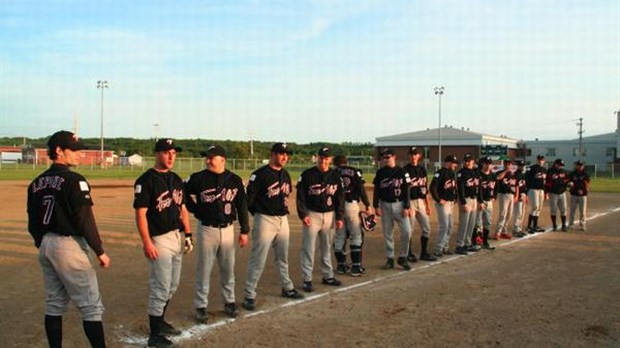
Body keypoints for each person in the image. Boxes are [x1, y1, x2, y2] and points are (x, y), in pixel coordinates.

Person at [27, 130, 110, 348]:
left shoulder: (36, 183)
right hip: (68, 247)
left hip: (46, 244)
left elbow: (33, 222)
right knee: (91, 305)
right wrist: (99, 250)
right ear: (58, 151)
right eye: (74, 150)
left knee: (54, 304)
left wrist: (43, 242)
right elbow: (84, 220)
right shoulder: (75, 180)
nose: (79, 154)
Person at [134, 138, 192, 348]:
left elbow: (182, 208)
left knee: (172, 286)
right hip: (158, 239)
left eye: (174, 153)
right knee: (160, 287)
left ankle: (160, 322)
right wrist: (146, 242)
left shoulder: (176, 179)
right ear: (157, 153)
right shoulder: (146, 180)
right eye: (167, 152)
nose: (171, 156)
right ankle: (154, 334)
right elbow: (141, 215)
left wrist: (188, 234)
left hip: (176, 236)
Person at [185, 145, 250, 322]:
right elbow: (183, 194)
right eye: (207, 157)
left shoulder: (235, 180)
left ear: (222, 159)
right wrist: (196, 209)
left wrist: (244, 230)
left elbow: (242, 207)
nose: (208, 160)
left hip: (228, 229)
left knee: (228, 269)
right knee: (203, 269)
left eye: (211, 157)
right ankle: (200, 306)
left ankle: (229, 302)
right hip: (206, 229)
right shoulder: (198, 178)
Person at [242, 143, 304, 311]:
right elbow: (249, 201)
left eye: (286, 154)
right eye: (281, 154)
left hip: (283, 219)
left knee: (282, 257)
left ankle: (287, 287)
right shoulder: (259, 175)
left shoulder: (285, 174)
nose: (284, 157)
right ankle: (249, 294)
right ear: (273, 154)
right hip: (265, 220)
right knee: (258, 259)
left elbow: (286, 195)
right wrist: (260, 214)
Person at [297, 147, 345, 292]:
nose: (323, 161)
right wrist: (303, 214)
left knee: (326, 247)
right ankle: (307, 279)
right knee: (308, 248)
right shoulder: (307, 175)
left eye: (326, 158)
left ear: (330, 160)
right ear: (317, 157)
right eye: (321, 157)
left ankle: (327, 276)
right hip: (312, 215)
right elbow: (300, 198)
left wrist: (340, 216)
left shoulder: (335, 176)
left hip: (329, 215)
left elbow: (340, 198)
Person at [372, 148, 413, 270]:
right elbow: (377, 190)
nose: (386, 159)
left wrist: (406, 206)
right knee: (388, 233)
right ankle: (390, 258)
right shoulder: (380, 172)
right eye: (384, 157)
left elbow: (407, 190)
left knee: (407, 232)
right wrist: (375, 205)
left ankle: (403, 257)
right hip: (385, 205)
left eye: (388, 157)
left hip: (400, 204)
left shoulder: (402, 171)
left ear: (394, 157)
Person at [333, 155, 372, 276]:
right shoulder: (354, 171)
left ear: (335, 164)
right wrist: (367, 204)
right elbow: (361, 188)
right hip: (351, 206)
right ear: (346, 162)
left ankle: (341, 266)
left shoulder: (332, 173)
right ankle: (356, 267)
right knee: (356, 235)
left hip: (336, 208)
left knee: (339, 236)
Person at [402, 147, 437, 262]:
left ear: (419, 156)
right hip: (410, 202)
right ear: (408, 156)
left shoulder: (423, 169)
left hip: (421, 201)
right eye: (411, 154)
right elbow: (404, 189)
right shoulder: (405, 170)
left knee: (427, 228)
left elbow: (425, 188)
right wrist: (406, 206)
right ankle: (408, 253)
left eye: (415, 154)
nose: (413, 156)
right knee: (409, 229)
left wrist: (427, 205)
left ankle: (424, 253)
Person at [431, 155, 459, 258]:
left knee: (450, 226)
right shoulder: (440, 172)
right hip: (443, 204)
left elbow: (453, 187)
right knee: (444, 226)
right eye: (453, 163)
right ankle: (438, 249)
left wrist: (455, 196)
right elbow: (432, 187)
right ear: (447, 162)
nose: (455, 165)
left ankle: (444, 246)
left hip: (450, 203)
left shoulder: (452, 173)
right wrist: (438, 199)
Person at [455, 154, 480, 255]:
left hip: (473, 200)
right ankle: (459, 245)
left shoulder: (474, 172)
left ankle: (467, 243)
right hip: (465, 200)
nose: (467, 162)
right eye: (466, 161)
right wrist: (463, 203)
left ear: (473, 162)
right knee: (464, 223)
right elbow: (460, 189)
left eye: (469, 161)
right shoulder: (461, 173)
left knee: (471, 223)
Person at [475, 156, 497, 249]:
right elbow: (477, 189)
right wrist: (479, 201)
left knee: (488, 222)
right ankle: (476, 241)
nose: (488, 165)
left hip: (489, 201)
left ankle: (485, 241)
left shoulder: (492, 175)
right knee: (478, 222)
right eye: (486, 163)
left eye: (490, 163)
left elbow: (496, 186)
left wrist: (494, 196)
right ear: (482, 164)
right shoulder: (478, 175)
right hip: (480, 201)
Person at [494, 159, 519, 239]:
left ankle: (504, 232)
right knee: (503, 214)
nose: (508, 165)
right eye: (506, 164)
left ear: (511, 165)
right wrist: (505, 171)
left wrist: (516, 195)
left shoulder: (514, 174)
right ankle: (497, 232)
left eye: (509, 164)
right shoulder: (500, 172)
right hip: (503, 195)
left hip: (511, 195)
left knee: (509, 215)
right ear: (504, 165)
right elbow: (498, 178)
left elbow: (516, 186)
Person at [545, 159, 569, 231]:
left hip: (562, 192)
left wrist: (568, 184)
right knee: (553, 210)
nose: (561, 167)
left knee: (564, 209)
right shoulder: (550, 171)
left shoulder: (564, 171)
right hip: (553, 193)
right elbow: (547, 183)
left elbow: (567, 180)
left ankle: (563, 225)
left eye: (562, 166)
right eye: (560, 165)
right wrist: (547, 192)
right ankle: (554, 225)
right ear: (556, 164)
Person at [526, 155, 547, 233]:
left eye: (542, 160)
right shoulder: (532, 168)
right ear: (536, 160)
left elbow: (545, 182)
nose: (540, 161)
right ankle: (529, 226)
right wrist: (527, 190)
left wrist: (546, 192)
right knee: (535, 206)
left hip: (541, 190)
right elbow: (527, 179)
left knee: (539, 208)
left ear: (544, 161)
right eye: (539, 159)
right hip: (533, 189)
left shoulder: (545, 169)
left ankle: (535, 226)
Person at [567, 160, 590, 231]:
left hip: (582, 195)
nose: (580, 166)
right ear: (576, 166)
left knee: (582, 210)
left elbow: (587, 184)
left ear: (583, 166)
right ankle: (571, 224)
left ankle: (582, 224)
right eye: (579, 165)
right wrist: (570, 185)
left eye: (581, 165)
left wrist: (582, 190)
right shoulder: (572, 174)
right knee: (572, 210)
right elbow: (568, 182)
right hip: (574, 194)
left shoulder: (586, 174)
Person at [512, 161, 528, 238]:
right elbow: (515, 187)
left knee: (522, 213)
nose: (522, 167)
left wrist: (526, 195)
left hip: (523, 195)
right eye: (520, 166)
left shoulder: (522, 174)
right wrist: (518, 196)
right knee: (518, 213)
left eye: (523, 166)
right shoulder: (516, 175)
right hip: (519, 196)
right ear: (518, 166)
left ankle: (519, 228)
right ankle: (516, 229)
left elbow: (524, 186)